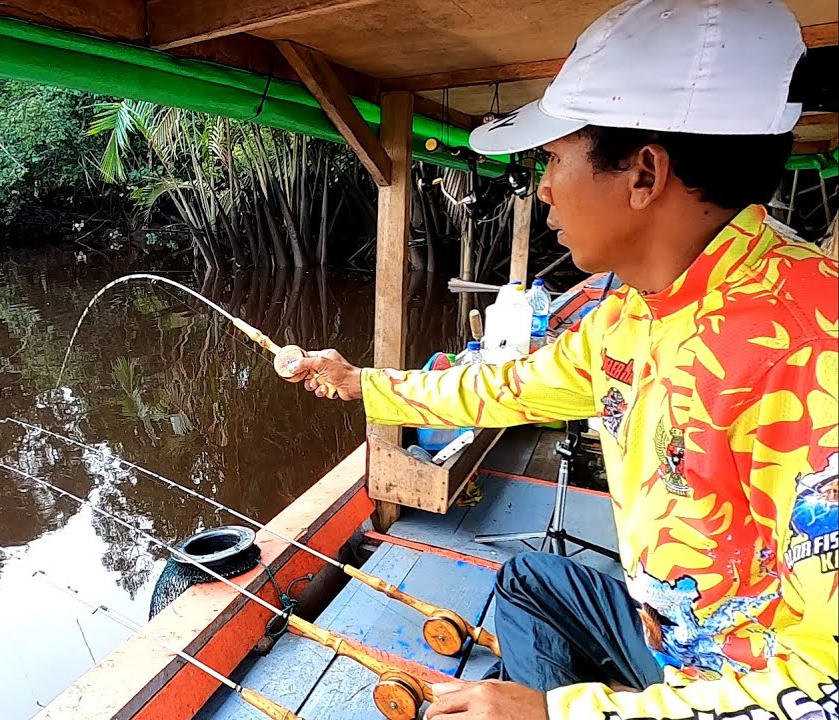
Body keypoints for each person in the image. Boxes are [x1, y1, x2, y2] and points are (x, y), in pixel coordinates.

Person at [282, 1, 839, 719]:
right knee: (527, 582)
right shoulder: (637, 308)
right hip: (676, 641)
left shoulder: (813, 351)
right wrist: (360, 383)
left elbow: (822, 692)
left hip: (748, 681)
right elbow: (511, 386)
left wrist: (558, 714)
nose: (542, 187)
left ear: (645, 173)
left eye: (553, 158)